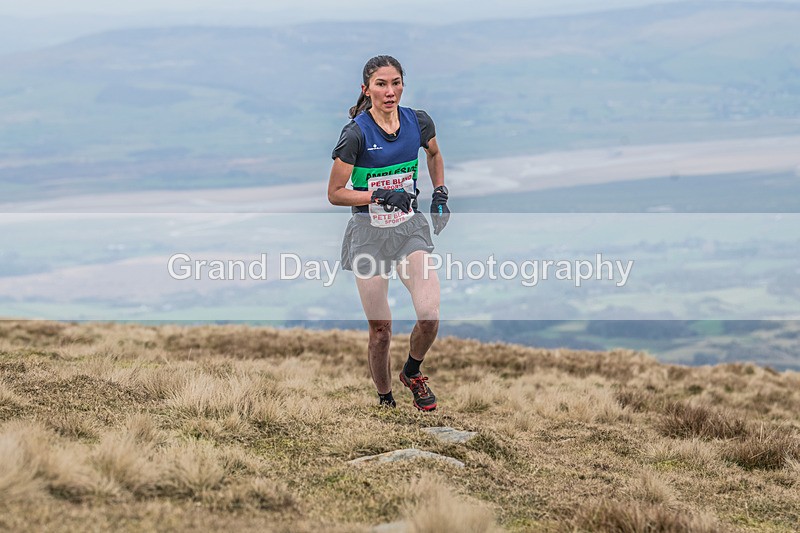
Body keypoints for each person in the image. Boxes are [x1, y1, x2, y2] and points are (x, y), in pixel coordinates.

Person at [327, 55, 450, 411]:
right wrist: (378, 195)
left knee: (429, 314)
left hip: (409, 228)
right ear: (366, 89)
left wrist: (440, 193)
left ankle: (412, 372)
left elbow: (435, 154)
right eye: (381, 84)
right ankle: (385, 402)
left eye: (396, 83)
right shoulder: (356, 133)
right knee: (381, 331)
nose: (390, 91)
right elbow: (335, 194)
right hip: (368, 234)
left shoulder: (418, 121)